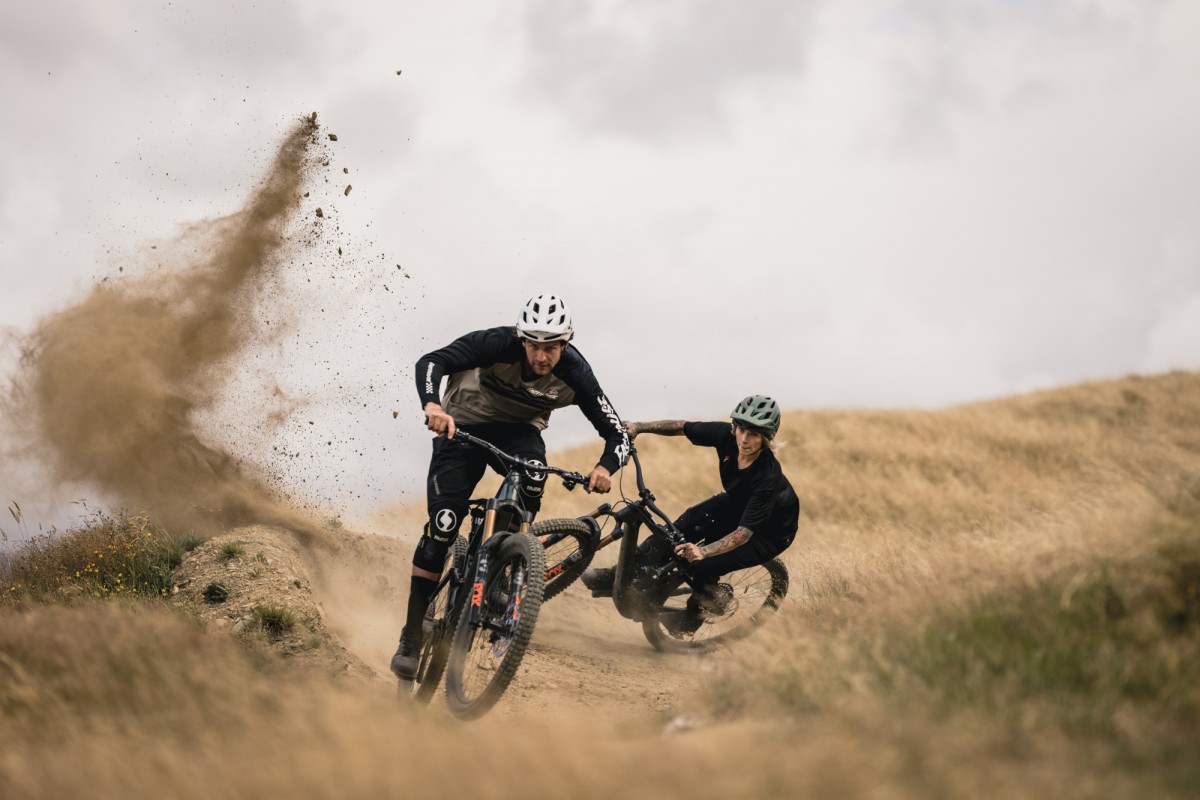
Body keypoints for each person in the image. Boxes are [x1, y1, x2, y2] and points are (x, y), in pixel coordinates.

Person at [391, 294, 630, 678]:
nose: (541, 356)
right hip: (463, 426)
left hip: (519, 433)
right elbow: (432, 361)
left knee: (535, 474)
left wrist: (605, 467)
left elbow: (618, 434)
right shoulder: (495, 343)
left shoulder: (575, 372)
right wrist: (434, 406)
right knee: (444, 525)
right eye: (534, 345)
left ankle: (503, 569)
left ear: (565, 344)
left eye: (551, 348)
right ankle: (410, 636)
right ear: (522, 339)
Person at [583, 395, 798, 633]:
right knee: (679, 528)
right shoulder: (726, 436)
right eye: (742, 430)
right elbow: (681, 427)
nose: (745, 440)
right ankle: (617, 575)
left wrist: (702, 551)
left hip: (769, 533)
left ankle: (692, 619)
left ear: (766, 438)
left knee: (705, 565)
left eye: (754, 434)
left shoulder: (767, 478)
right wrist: (639, 427)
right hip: (737, 504)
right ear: (735, 427)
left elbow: (744, 533)